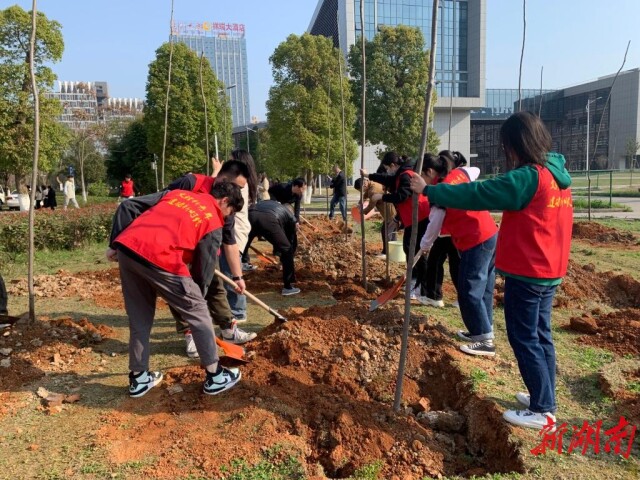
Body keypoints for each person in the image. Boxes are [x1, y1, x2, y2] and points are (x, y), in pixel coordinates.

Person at [410, 111, 572, 430]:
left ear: (515, 143)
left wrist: (429, 191)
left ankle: (542, 410)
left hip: (529, 270)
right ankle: (544, 397)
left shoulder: (529, 176)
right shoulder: (556, 175)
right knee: (541, 334)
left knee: (524, 335)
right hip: (549, 268)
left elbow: (478, 193)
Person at [107, 180, 244, 398]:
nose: (228, 217)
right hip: (161, 256)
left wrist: (114, 243)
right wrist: (193, 300)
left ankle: (139, 378)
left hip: (128, 249)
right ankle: (215, 376)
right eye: (230, 212)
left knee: (139, 317)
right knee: (199, 311)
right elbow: (204, 269)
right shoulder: (214, 221)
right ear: (224, 201)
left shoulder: (178, 194)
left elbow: (128, 206)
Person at [167, 160, 257, 348]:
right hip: (175, 249)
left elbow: (229, 242)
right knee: (180, 290)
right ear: (223, 178)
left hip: (206, 252)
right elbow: (162, 205)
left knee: (216, 287)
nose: (238, 192)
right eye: (237, 186)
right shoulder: (191, 183)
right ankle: (191, 334)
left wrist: (237, 276)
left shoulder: (229, 204)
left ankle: (228, 330)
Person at [416, 152, 498, 357]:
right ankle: (483, 330)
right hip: (490, 234)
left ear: (429, 172)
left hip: (476, 240)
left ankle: (484, 340)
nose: (419, 185)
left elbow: (433, 228)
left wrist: (422, 248)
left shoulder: (439, 194)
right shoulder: (458, 174)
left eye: (420, 179)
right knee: (485, 288)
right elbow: (474, 170)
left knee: (469, 289)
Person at [360, 151, 430, 300]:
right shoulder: (400, 174)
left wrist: (382, 196)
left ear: (393, 165)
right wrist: (368, 176)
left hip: (419, 217)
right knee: (409, 249)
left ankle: (422, 286)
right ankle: (415, 280)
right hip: (412, 218)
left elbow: (402, 196)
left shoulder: (405, 175)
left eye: (387, 168)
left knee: (415, 251)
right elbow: (388, 179)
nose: (387, 171)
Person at [243, 200, 300, 296]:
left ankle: (241, 265)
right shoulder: (291, 217)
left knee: (243, 244)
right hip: (268, 219)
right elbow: (290, 242)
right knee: (287, 249)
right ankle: (288, 286)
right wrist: (287, 260)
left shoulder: (274, 205)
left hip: (250, 215)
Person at [353, 177, 397, 258]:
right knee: (390, 231)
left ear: (364, 185)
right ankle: (392, 251)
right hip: (389, 212)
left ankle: (387, 253)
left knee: (386, 232)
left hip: (389, 212)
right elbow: (365, 194)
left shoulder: (373, 190)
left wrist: (362, 212)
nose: (362, 192)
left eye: (361, 190)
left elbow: (371, 206)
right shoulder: (372, 184)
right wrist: (360, 202)